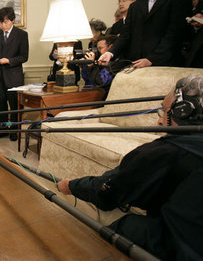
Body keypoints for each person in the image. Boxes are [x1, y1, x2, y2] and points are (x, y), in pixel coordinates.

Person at [57, 75, 203, 259]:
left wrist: (71, 186)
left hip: (181, 249)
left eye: (165, 111)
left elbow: (108, 192)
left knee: (125, 226)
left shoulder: (164, 153)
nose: (160, 121)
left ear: (183, 111)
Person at [99, 0, 192, 68]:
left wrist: (151, 59)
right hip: (137, 64)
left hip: (166, 64)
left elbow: (174, 35)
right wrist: (110, 52)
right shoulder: (136, 5)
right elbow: (126, 35)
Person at [0, 7, 29, 141]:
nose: (3, 25)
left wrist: (9, 60)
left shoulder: (22, 35)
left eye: (5, 22)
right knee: (0, 107)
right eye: (0, 23)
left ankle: (14, 130)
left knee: (14, 107)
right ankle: (4, 129)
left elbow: (24, 57)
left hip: (13, 77)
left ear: (13, 20)